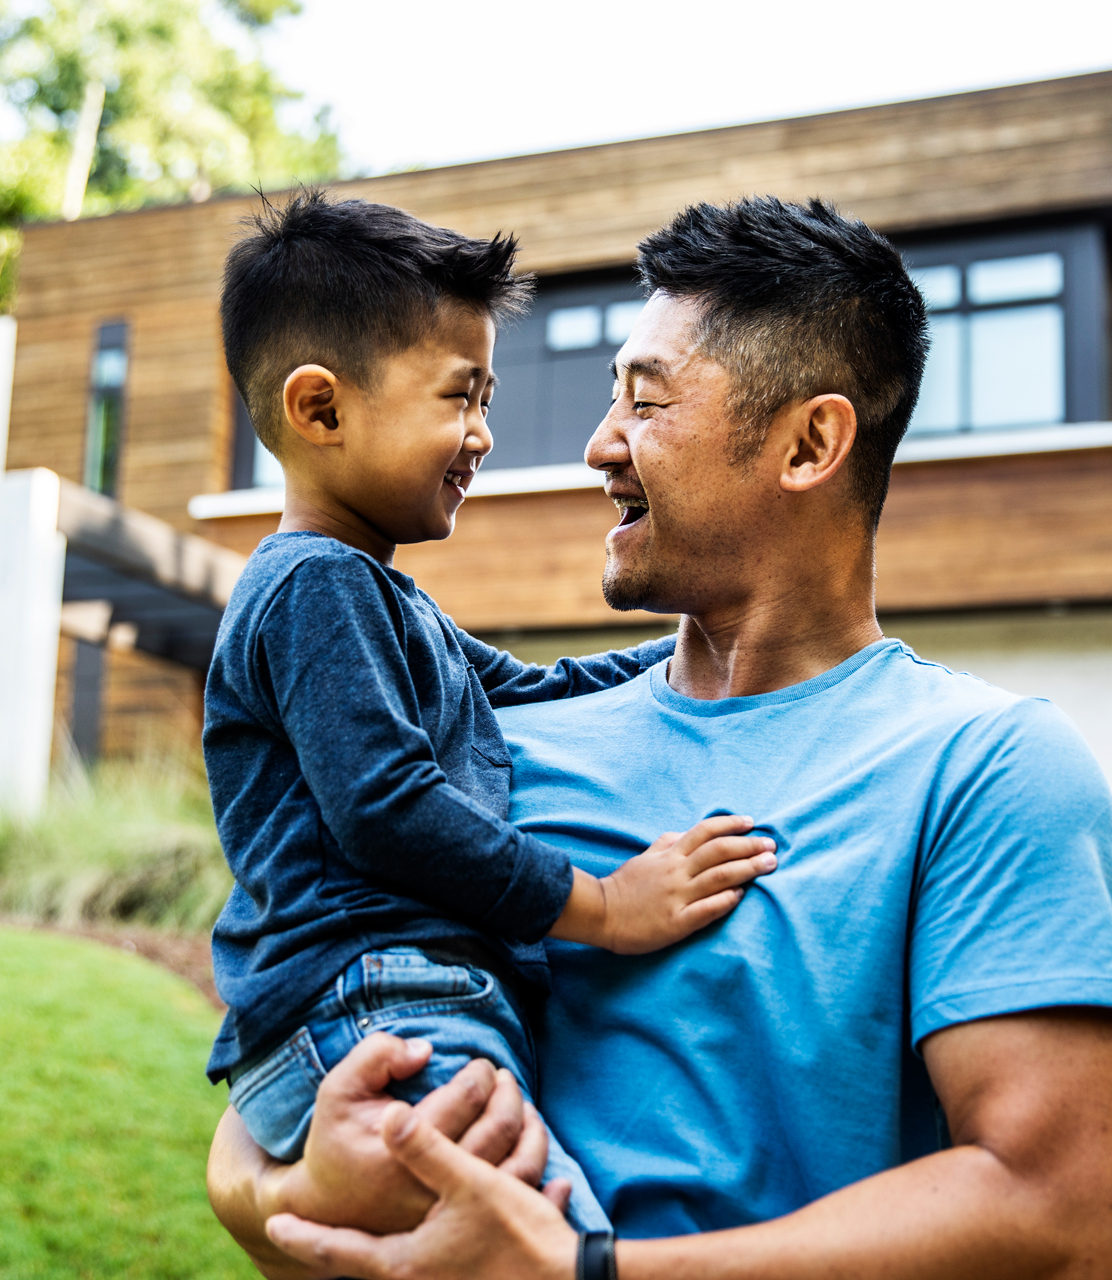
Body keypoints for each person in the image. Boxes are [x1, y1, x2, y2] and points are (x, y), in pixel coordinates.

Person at [205, 196, 1112, 1280]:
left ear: (810, 443)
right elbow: (299, 1026)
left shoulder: (987, 769)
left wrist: (588, 1272)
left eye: (644, 403)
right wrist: (286, 1189)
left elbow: (1074, 1219)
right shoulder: (493, 752)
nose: (596, 443)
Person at [203, 192, 780, 1235]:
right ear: (320, 409)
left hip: (402, 1004)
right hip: (379, 1009)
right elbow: (387, 806)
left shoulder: (376, 597)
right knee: (566, 1249)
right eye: (458, 397)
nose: (483, 434)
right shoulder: (313, 589)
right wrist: (603, 906)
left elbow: (525, 688)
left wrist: (710, 633)